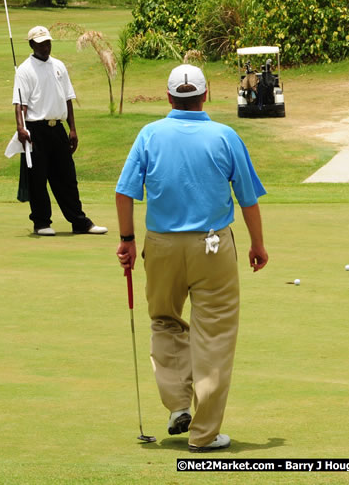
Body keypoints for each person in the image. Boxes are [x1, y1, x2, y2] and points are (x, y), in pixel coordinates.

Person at [114, 64, 269, 453]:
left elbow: (124, 193)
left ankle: (179, 404)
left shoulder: (149, 134)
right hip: (213, 246)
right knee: (213, 335)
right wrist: (257, 245)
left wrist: (128, 241)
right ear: (206, 94)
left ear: (169, 98)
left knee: (164, 321)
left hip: (162, 246)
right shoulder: (225, 135)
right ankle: (202, 435)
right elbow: (247, 198)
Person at [13, 25, 107, 236]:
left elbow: (68, 98)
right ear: (31, 45)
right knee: (38, 178)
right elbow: (20, 104)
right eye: (40, 44)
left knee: (67, 177)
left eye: (47, 42)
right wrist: (21, 128)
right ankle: (41, 222)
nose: (45, 47)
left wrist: (72, 129)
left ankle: (79, 222)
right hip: (36, 128)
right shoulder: (24, 70)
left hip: (58, 129)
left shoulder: (59, 66)